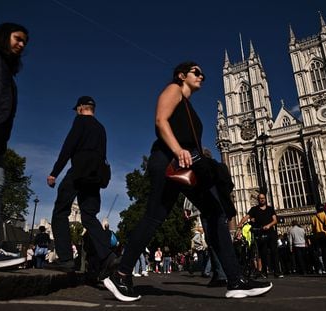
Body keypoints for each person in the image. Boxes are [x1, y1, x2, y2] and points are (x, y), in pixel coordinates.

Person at [103, 61, 272, 302]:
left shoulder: (189, 106)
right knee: (156, 218)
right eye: (196, 71)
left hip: (186, 165)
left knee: (213, 213)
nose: (201, 75)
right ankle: (121, 275)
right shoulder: (173, 89)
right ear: (182, 75)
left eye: (202, 72)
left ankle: (235, 280)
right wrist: (178, 149)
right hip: (169, 161)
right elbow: (161, 121)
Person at [46, 96, 117, 275]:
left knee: (60, 211)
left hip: (78, 172)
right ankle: (108, 255)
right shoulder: (101, 128)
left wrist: (54, 172)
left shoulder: (80, 121)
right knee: (89, 216)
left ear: (80, 108)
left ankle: (66, 258)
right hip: (95, 175)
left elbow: (68, 147)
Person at [0, 23, 29, 269]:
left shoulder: (7, 70)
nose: (21, 45)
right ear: (4, 36)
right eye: (18, 38)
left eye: (25, 42)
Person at [237, 193, 284, 278]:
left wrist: (269, 225)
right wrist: (240, 223)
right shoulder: (254, 209)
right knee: (263, 253)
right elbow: (247, 217)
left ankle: (277, 272)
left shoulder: (270, 209)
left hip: (271, 233)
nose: (262, 199)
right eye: (260, 198)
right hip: (261, 233)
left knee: (274, 252)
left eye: (263, 198)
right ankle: (264, 272)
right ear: (258, 200)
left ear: (265, 199)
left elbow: (275, 220)